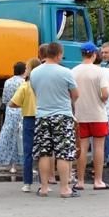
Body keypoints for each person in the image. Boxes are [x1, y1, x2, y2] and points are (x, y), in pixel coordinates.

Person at [29, 42, 79, 198]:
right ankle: (64, 189)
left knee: (44, 152)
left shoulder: (35, 73)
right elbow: (75, 94)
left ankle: (44, 188)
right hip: (62, 115)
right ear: (58, 54)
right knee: (63, 153)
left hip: (42, 115)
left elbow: (35, 91)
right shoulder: (66, 72)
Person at [72, 42, 109, 191]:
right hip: (98, 114)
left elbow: (71, 93)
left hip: (80, 114)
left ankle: (80, 181)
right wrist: (102, 99)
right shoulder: (100, 72)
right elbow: (105, 94)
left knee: (81, 147)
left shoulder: (74, 71)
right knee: (98, 147)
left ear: (82, 54)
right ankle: (98, 181)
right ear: (95, 54)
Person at [8, 58, 40, 192]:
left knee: (28, 152)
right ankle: (45, 182)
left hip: (28, 118)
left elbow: (12, 103)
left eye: (27, 68)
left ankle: (27, 183)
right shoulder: (42, 85)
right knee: (45, 152)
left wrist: (23, 104)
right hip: (43, 118)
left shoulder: (25, 86)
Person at [0, 62, 26, 173]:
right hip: (22, 111)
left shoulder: (8, 82)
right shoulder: (24, 83)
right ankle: (23, 164)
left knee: (10, 138)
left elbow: (5, 99)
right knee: (21, 138)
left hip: (10, 111)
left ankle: (12, 165)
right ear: (24, 70)